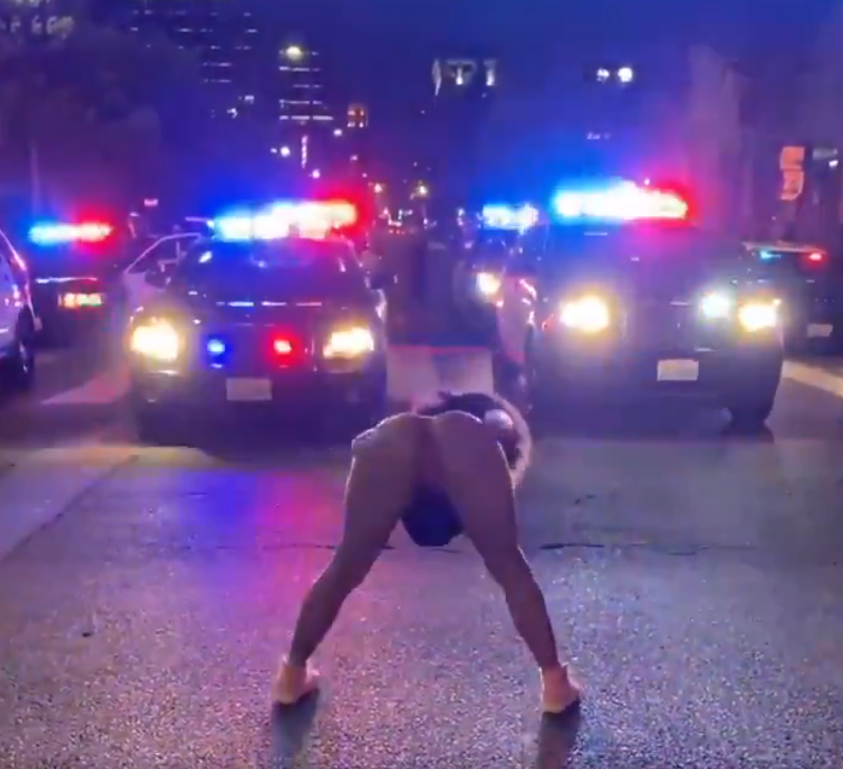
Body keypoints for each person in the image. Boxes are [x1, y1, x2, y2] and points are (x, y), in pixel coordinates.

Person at [272, 391, 581, 714]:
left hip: (390, 438)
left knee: (346, 564)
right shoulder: (479, 430)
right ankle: (556, 685)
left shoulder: (426, 425)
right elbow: (500, 431)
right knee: (508, 564)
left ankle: (291, 676)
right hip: (462, 437)